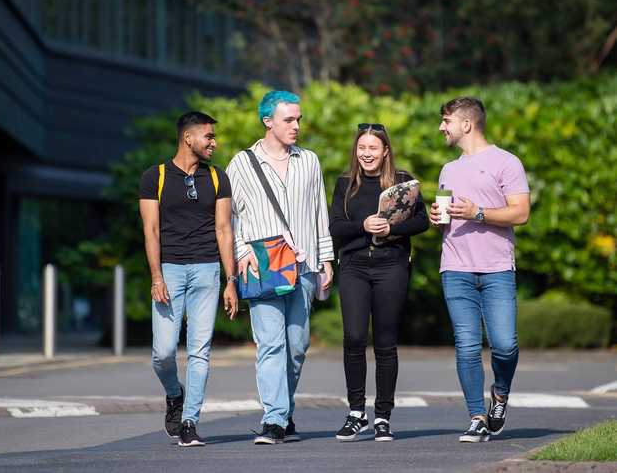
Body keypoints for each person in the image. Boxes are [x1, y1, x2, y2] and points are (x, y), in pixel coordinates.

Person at [226, 90, 334, 444]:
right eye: (289, 119)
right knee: (270, 345)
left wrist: (327, 259)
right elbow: (228, 218)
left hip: (303, 267)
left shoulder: (310, 161)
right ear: (267, 121)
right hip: (263, 267)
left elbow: (320, 212)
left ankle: (282, 411)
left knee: (297, 346)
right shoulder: (241, 164)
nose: (296, 126)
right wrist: (242, 253)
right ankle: (274, 419)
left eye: (298, 119)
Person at [429, 97, 530, 443]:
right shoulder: (448, 169)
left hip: (497, 268)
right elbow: (447, 218)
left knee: (504, 345)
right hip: (455, 268)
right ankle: (476, 416)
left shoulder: (507, 163)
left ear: (466, 124)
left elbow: (520, 213)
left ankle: (500, 393)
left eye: (446, 121)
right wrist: (437, 219)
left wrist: (478, 212)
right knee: (467, 345)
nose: (442, 127)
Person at [138, 111, 239, 447]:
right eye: (209, 137)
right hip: (169, 270)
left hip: (208, 271)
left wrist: (231, 280)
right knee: (163, 352)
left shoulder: (217, 178)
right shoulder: (155, 177)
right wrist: (156, 276)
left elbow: (225, 230)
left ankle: (189, 422)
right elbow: (151, 231)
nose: (214, 143)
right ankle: (173, 393)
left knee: (200, 351)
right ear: (188, 138)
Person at [328, 124, 429, 442]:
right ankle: (356, 413)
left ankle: (383, 416)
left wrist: (392, 230)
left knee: (385, 343)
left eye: (373, 148)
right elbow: (335, 227)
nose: (367, 154)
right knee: (354, 337)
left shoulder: (402, 181)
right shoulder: (345, 184)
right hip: (354, 267)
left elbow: (422, 221)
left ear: (385, 151)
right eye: (361, 148)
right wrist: (363, 225)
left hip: (391, 266)